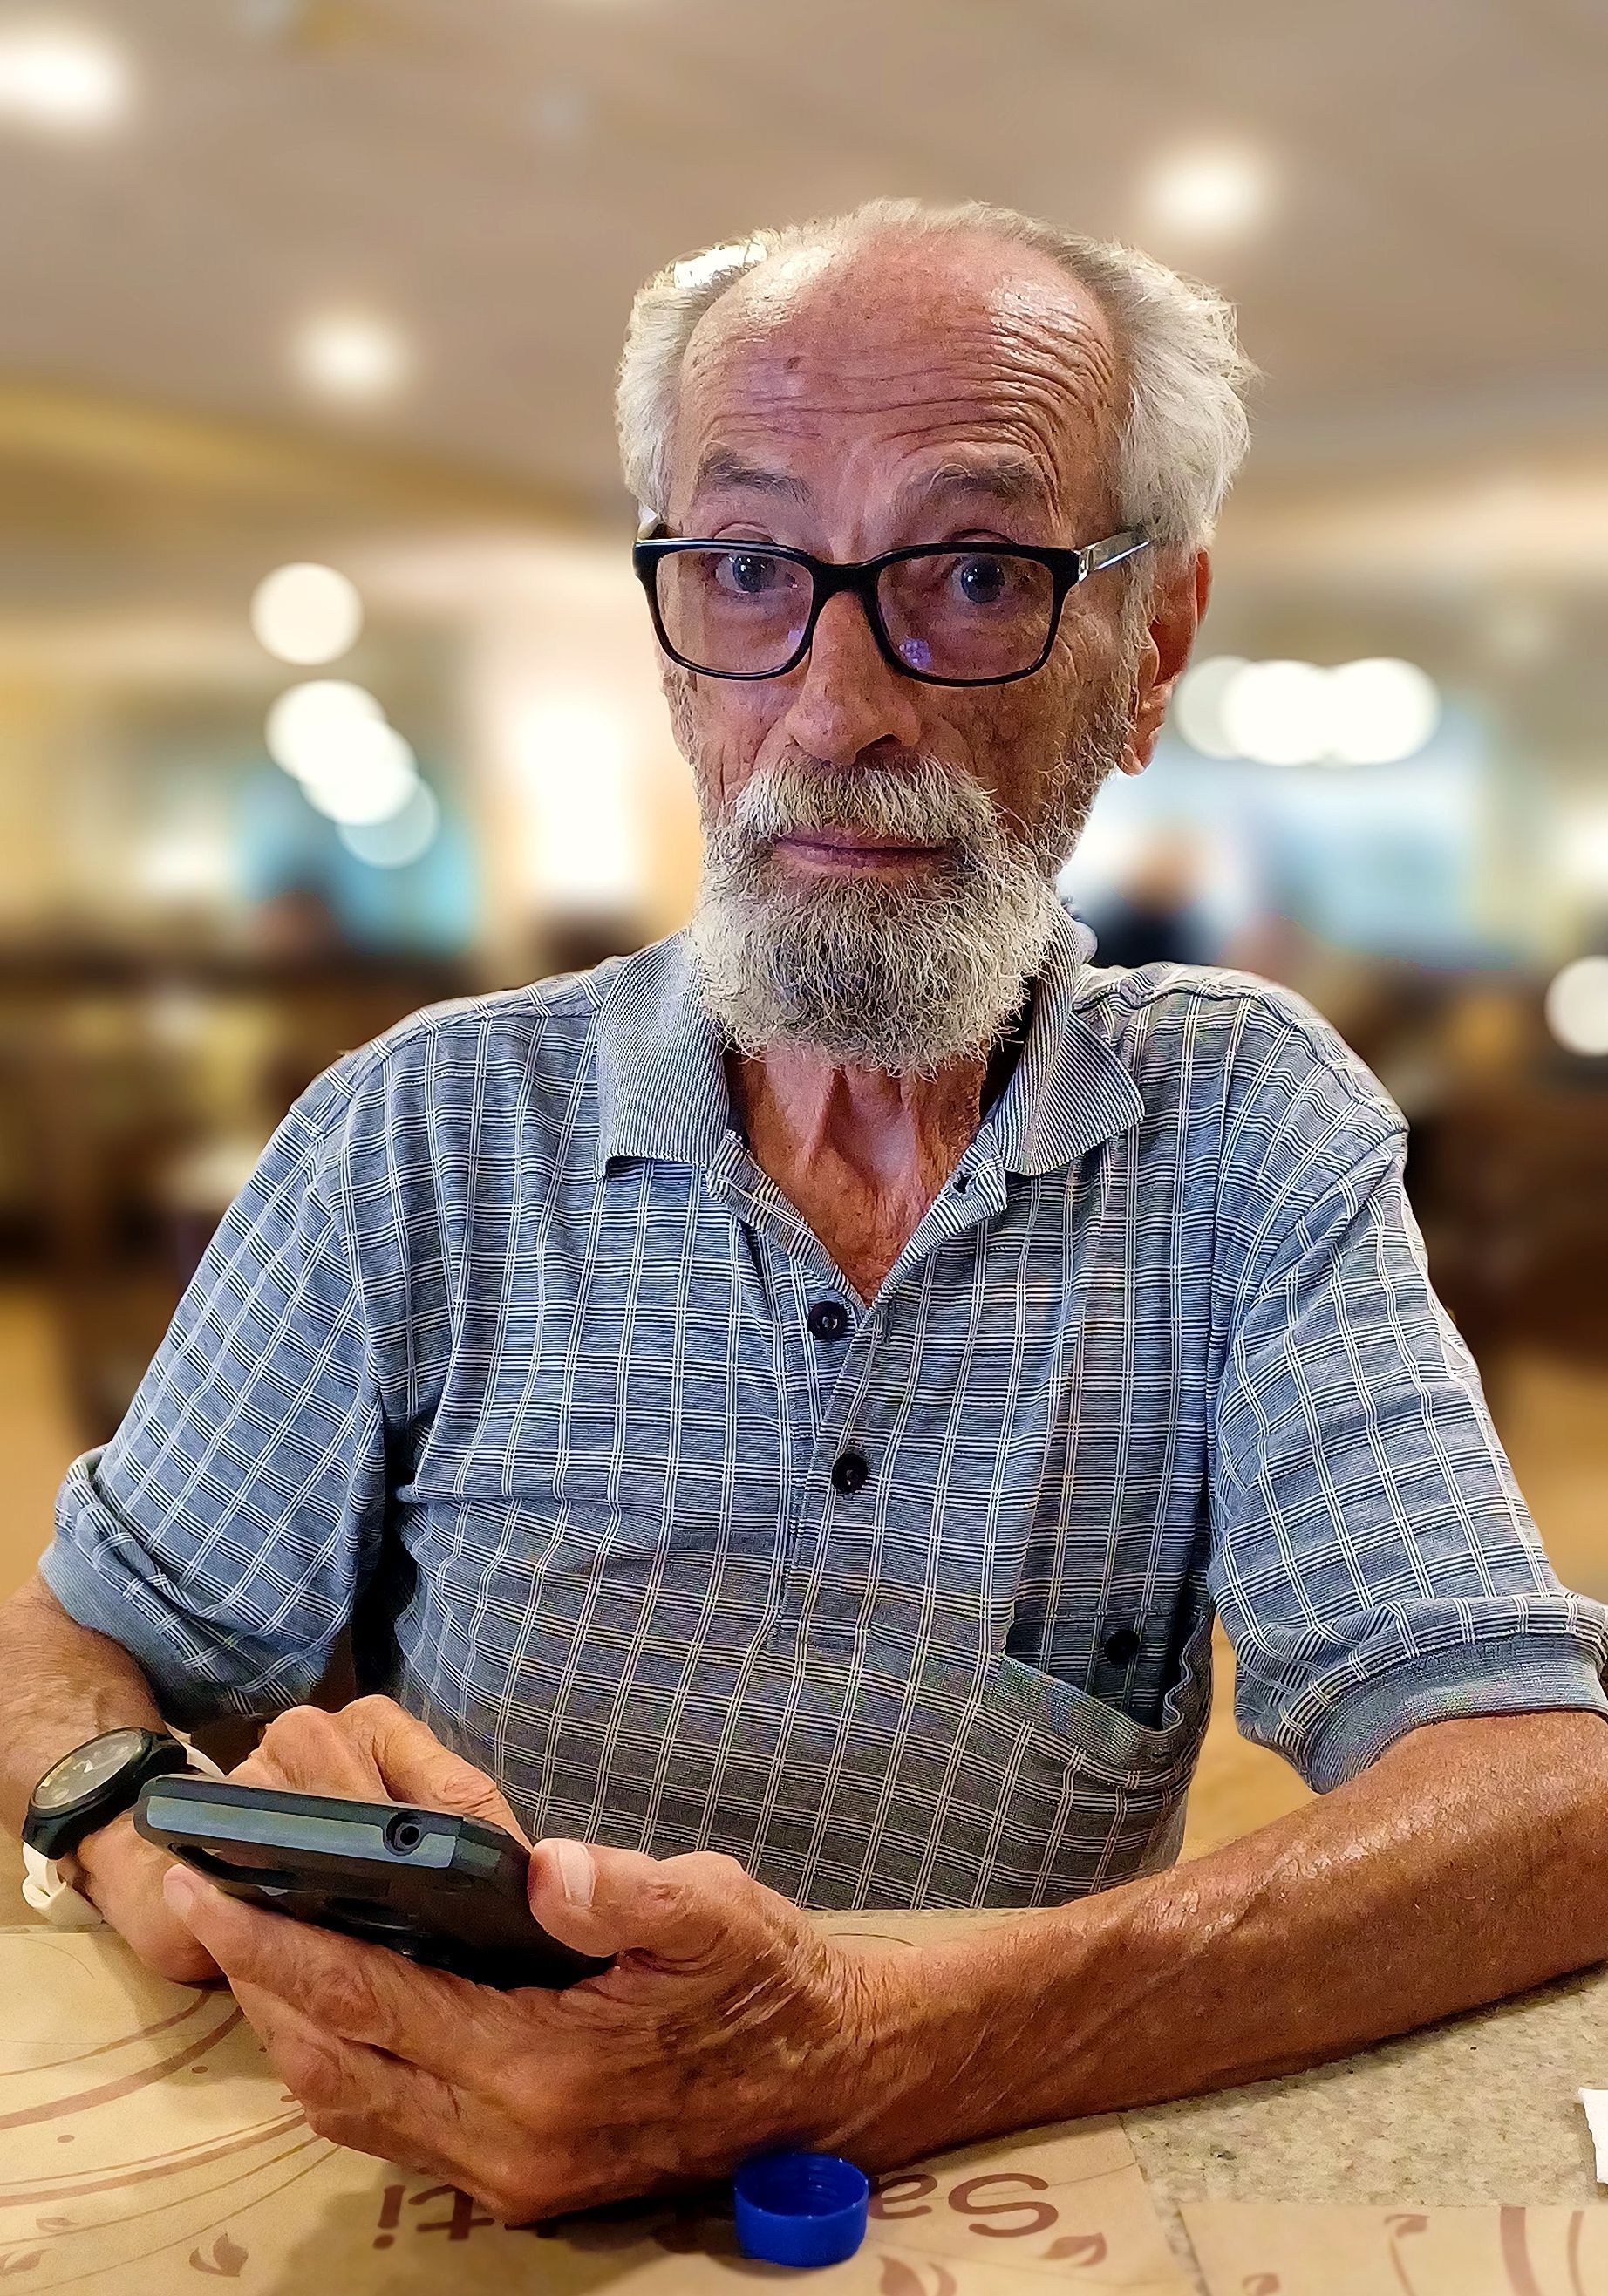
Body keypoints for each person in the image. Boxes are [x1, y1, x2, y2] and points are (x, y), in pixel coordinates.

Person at [3, 198, 1606, 2224]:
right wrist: (125, 1814)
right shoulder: (426, 1133)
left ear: (1150, 645)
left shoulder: (1238, 1136)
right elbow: (75, 1636)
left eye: (974, 572)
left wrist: (859, 2051)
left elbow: (1549, 1794)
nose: (836, 708)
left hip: (962, 2187)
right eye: (751, 569)